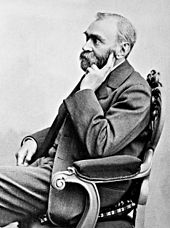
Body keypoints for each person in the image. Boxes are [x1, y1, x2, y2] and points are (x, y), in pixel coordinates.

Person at [0, 12, 151, 227]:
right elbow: (69, 127)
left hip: (78, 183)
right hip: (55, 168)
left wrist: (87, 91)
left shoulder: (135, 91)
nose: (86, 46)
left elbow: (101, 144)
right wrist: (33, 141)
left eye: (96, 40)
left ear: (122, 49)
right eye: (86, 38)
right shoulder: (98, 76)